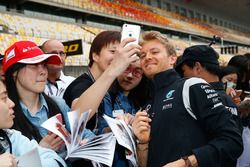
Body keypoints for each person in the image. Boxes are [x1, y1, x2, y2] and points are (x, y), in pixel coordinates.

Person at [132, 31, 243, 167]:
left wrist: (187, 162)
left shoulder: (191, 86)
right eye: (142, 55)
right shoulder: (147, 104)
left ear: (172, 58)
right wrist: (142, 143)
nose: (147, 57)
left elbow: (232, 141)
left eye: (154, 52)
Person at [2, 40, 94, 166]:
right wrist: (40, 151)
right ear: (14, 72)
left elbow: (86, 134)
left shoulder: (58, 104)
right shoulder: (5, 115)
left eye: (44, 65)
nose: (43, 71)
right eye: (34, 65)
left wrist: (86, 144)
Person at [63, 31, 141, 132]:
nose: (118, 56)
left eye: (120, 53)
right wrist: (113, 69)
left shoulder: (110, 86)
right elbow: (77, 118)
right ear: (95, 56)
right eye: (113, 51)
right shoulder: (82, 84)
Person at [0, 79, 67, 167]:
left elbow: (55, 161)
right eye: (3, 98)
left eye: (43, 66)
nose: (11, 104)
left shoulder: (11, 137)